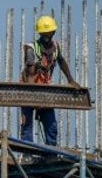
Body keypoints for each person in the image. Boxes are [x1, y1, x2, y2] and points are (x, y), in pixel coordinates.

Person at [20, 15, 82, 146]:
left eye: (50, 33)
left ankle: (50, 155)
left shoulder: (55, 47)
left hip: (44, 87)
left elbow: (61, 61)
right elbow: (30, 74)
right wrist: (33, 98)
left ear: (53, 32)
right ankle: (27, 152)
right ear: (41, 33)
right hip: (28, 88)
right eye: (45, 34)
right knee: (27, 125)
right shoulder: (32, 49)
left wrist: (71, 80)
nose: (48, 36)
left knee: (51, 126)